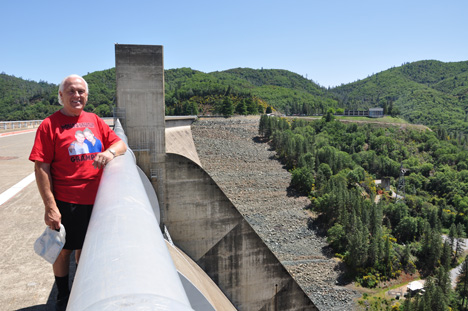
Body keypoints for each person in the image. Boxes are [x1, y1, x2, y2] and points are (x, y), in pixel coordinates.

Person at [29, 74, 127, 310]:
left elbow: (121, 144)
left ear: (86, 96)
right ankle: (63, 296)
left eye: (81, 92)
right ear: (61, 96)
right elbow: (41, 166)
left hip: (99, 201)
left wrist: (110, 153)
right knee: (64, 251)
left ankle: (83, 293)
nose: (77, 96)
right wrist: (50, 206)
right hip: (67, 201)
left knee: (87, 250)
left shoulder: (94, 120)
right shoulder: (49, 125)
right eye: (71, 91)